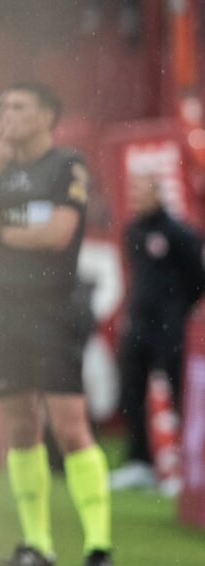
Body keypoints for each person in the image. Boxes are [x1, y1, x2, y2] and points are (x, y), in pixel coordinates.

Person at [0, 83, 112, 566]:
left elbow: (57, 235)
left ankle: (98, 547)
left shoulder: (66, 166)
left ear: (47, 116)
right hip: (1, 311)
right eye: (2, 107)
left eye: (18, 107)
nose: (7, 115)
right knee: (21, 426)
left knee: (70, 426)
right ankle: (37, 546)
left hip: (52, 311)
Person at [110, 173, 205, 492]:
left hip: (170, 326)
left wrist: (176, 309)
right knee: (132, 391)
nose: (137, 198)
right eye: (134, 191)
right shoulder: (132, 231)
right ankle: (140, 462)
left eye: (143, 191)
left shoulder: (179, 233)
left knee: (179, 392)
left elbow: (197, 279)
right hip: (138, 322)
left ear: (159, 193)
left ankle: (184, 468)